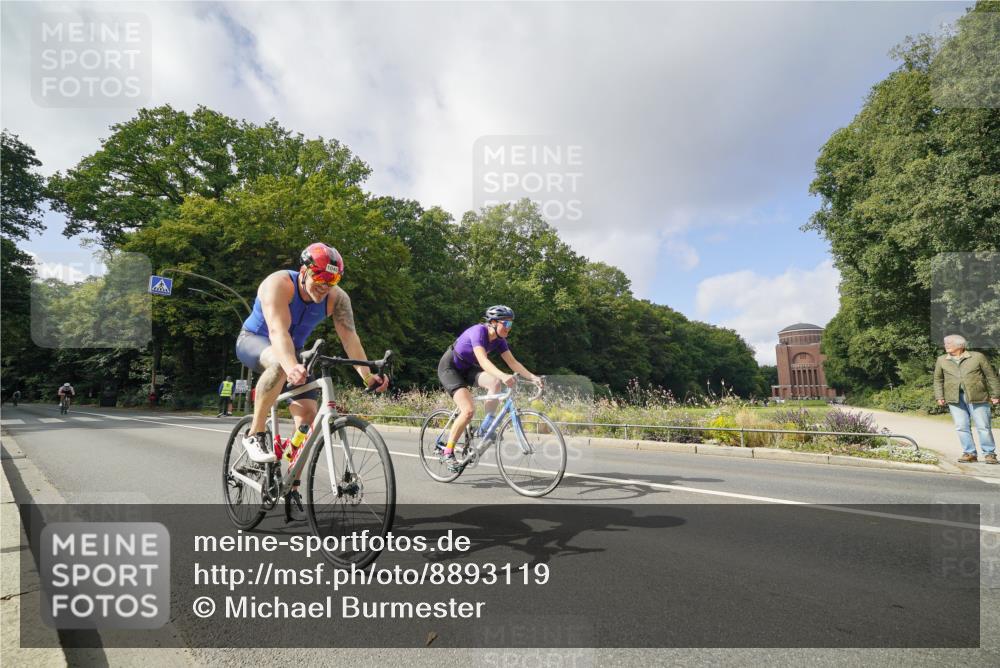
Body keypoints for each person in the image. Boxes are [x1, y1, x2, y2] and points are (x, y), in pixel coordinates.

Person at [235, 243, 389, 518]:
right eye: (320, 279)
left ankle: (291, 484)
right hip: (256, 341)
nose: (325, 287)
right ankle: (255, 434)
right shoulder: (278, 284)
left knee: (308, 416)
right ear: (304, 271)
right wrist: (290, 365)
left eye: (332, 280)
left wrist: (367, 376)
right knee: (280, 365)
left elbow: (349, 338)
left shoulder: (337, 299)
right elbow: (277, 332)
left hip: (293, 351)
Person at [436, 305, 542, 472]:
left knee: (494, 383)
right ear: (493, 322)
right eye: (506, 324)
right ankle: (448, 452)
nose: (509, 328)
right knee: (468, 411)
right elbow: (483, 361)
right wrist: (503, 375)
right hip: (450, 368)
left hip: (468, 368)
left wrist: (532, 377)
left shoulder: (500, 340)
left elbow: (513, 362)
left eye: (511, 324)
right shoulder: (478, 332)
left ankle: (486, 426)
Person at [934, 334, 1000, 464]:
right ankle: (969, 453)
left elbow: (991, 376)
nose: (946, 345)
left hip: (978, 396)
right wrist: (939, 396)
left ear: (960, 345)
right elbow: (938, 379)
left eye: (949, 343)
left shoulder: (977, 357)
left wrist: (996, 394)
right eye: (945, 343)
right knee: (961, 426)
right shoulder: (942, 360)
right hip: (954, 398)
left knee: (983, 426)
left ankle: (989, 454)